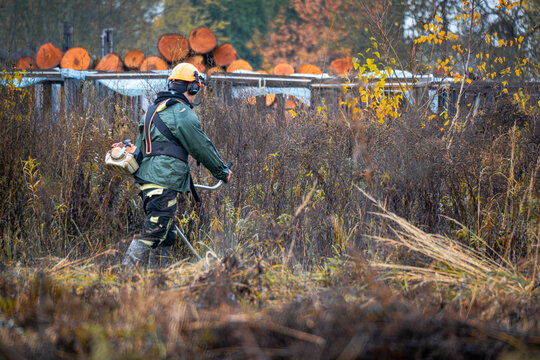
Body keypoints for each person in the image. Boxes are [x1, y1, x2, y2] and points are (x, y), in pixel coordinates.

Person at [123, 63, 232, 268]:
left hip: (148, 180)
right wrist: (222, 171)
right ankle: (123, 274)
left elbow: (139, 148)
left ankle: (158, 280)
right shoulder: (181, 112)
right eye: (196, 88)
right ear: (192, 88)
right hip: (163, 179)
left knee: (167, 234)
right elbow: (201, 147)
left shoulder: (152, 111)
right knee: (155, 230)